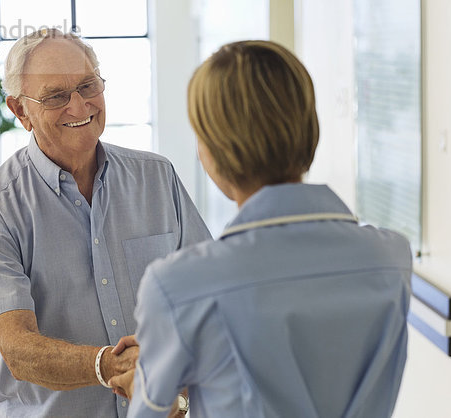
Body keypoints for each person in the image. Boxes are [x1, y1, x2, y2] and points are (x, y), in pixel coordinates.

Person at [109, 40, 412, 417]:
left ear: (216, 150)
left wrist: (151, 390)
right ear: (308, 126)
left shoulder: (178, 286)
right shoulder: (391, 257)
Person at [0, 29, 210, 418]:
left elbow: (206, 298)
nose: (79, 107)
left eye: (88, 85)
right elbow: (19, 350)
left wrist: (179, 387)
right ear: (20, 111)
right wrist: (111, 366)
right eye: (56, 96)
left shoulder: (158, 179)